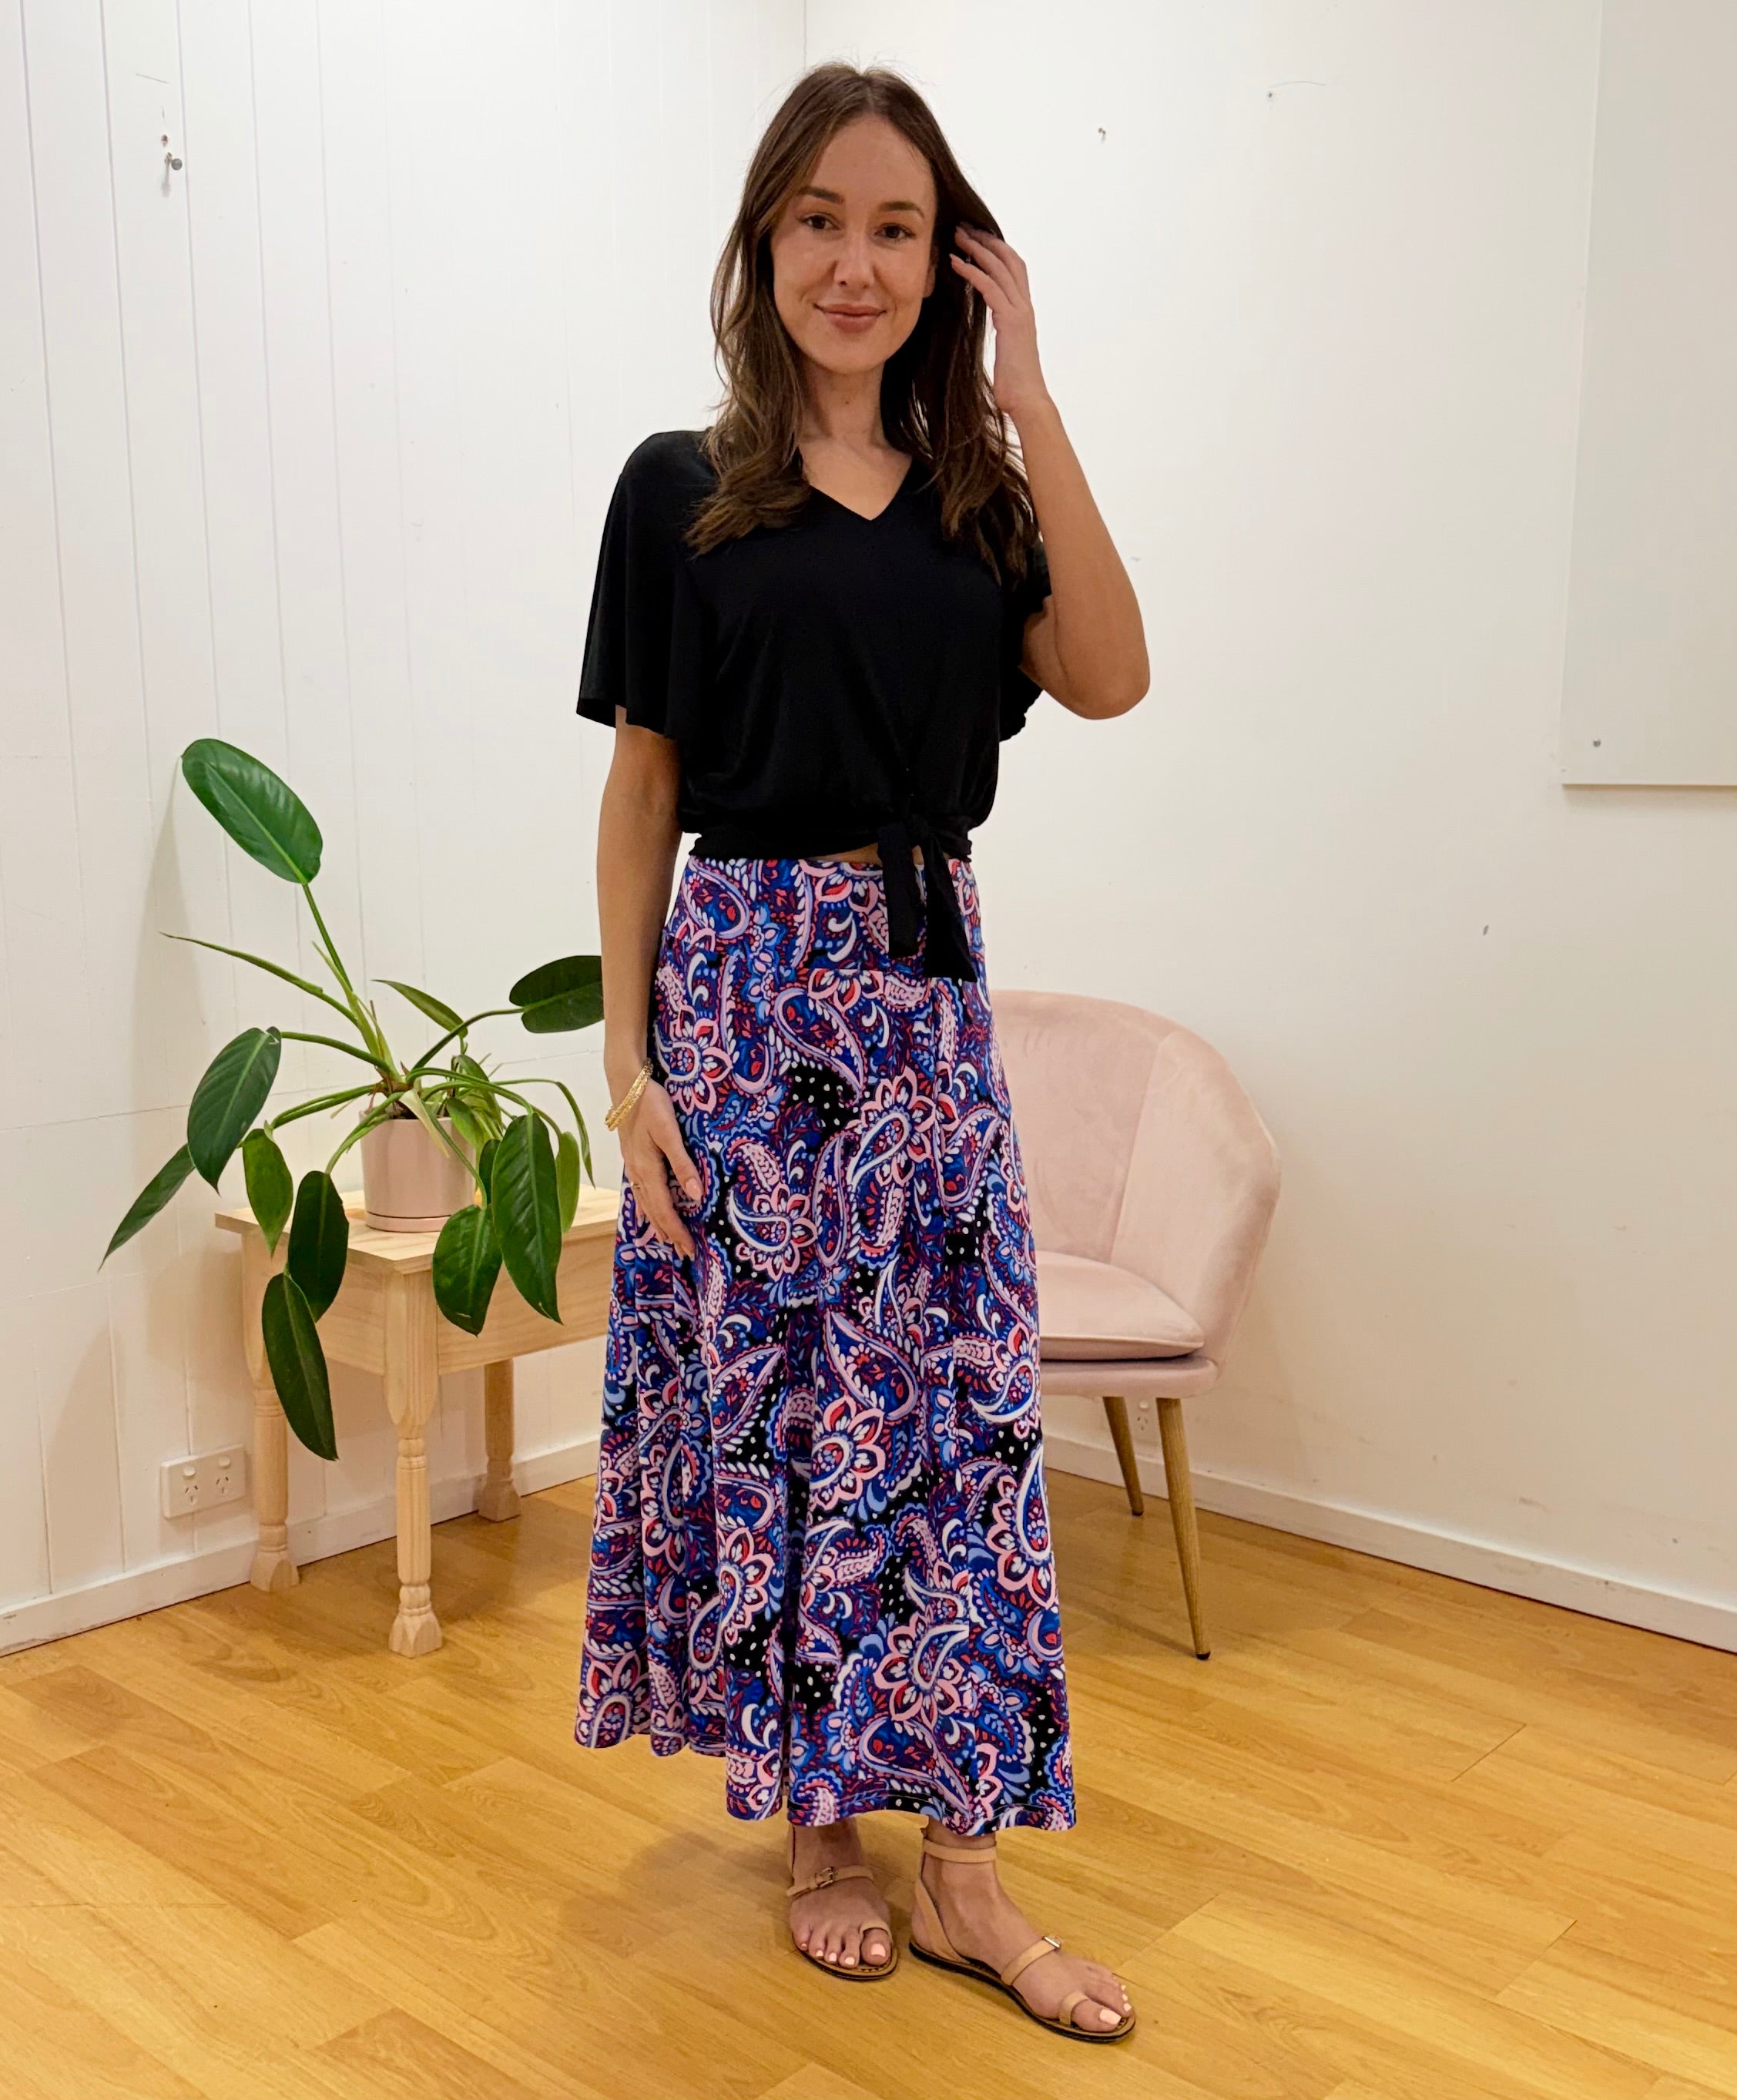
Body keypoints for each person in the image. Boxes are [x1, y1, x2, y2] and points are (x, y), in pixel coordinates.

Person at [570, 60, 1148, 2043]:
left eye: (898, 227)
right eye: (821, 217)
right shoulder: (678, 489)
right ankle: (821, 1830)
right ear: (764, 240)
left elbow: (1110, 676)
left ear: (950, 261)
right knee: (781, 1421)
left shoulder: (982, 505)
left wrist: (1035, 402)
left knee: (959, 1429)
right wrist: (630, 1073)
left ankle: (969, 1862)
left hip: (921, 995)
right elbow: (644, 794)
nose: (855, 259)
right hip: (740, 994)